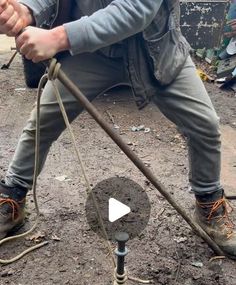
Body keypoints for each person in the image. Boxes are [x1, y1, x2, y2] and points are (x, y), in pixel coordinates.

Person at [0, 0, 235, 258]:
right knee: (43, 121)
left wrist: (59, 37)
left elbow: (137, 9)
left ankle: (209, 204)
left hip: (154, 50)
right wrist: (26, 10)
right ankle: (13, 196)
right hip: (93, 53)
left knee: (205, 125)